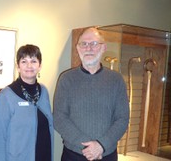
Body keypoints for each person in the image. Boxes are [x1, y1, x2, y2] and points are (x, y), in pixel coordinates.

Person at [54, 27, 129, 161]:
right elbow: (59, 118)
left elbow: (122, 119)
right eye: (84, 44)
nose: (88, 48)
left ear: (103, 47)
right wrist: (89, 148)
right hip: (73, 155)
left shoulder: (116, 80)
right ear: (77, 48)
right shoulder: (66, 79)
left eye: (94, 43)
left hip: (106, 154)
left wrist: (101, 145)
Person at [0, 44, 53, 161]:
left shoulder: (44, 92)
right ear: (18, 66)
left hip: (43, 155)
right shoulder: (6, 96)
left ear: (40, 66)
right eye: (24, 61)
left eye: (34, 61)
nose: (29, 65)